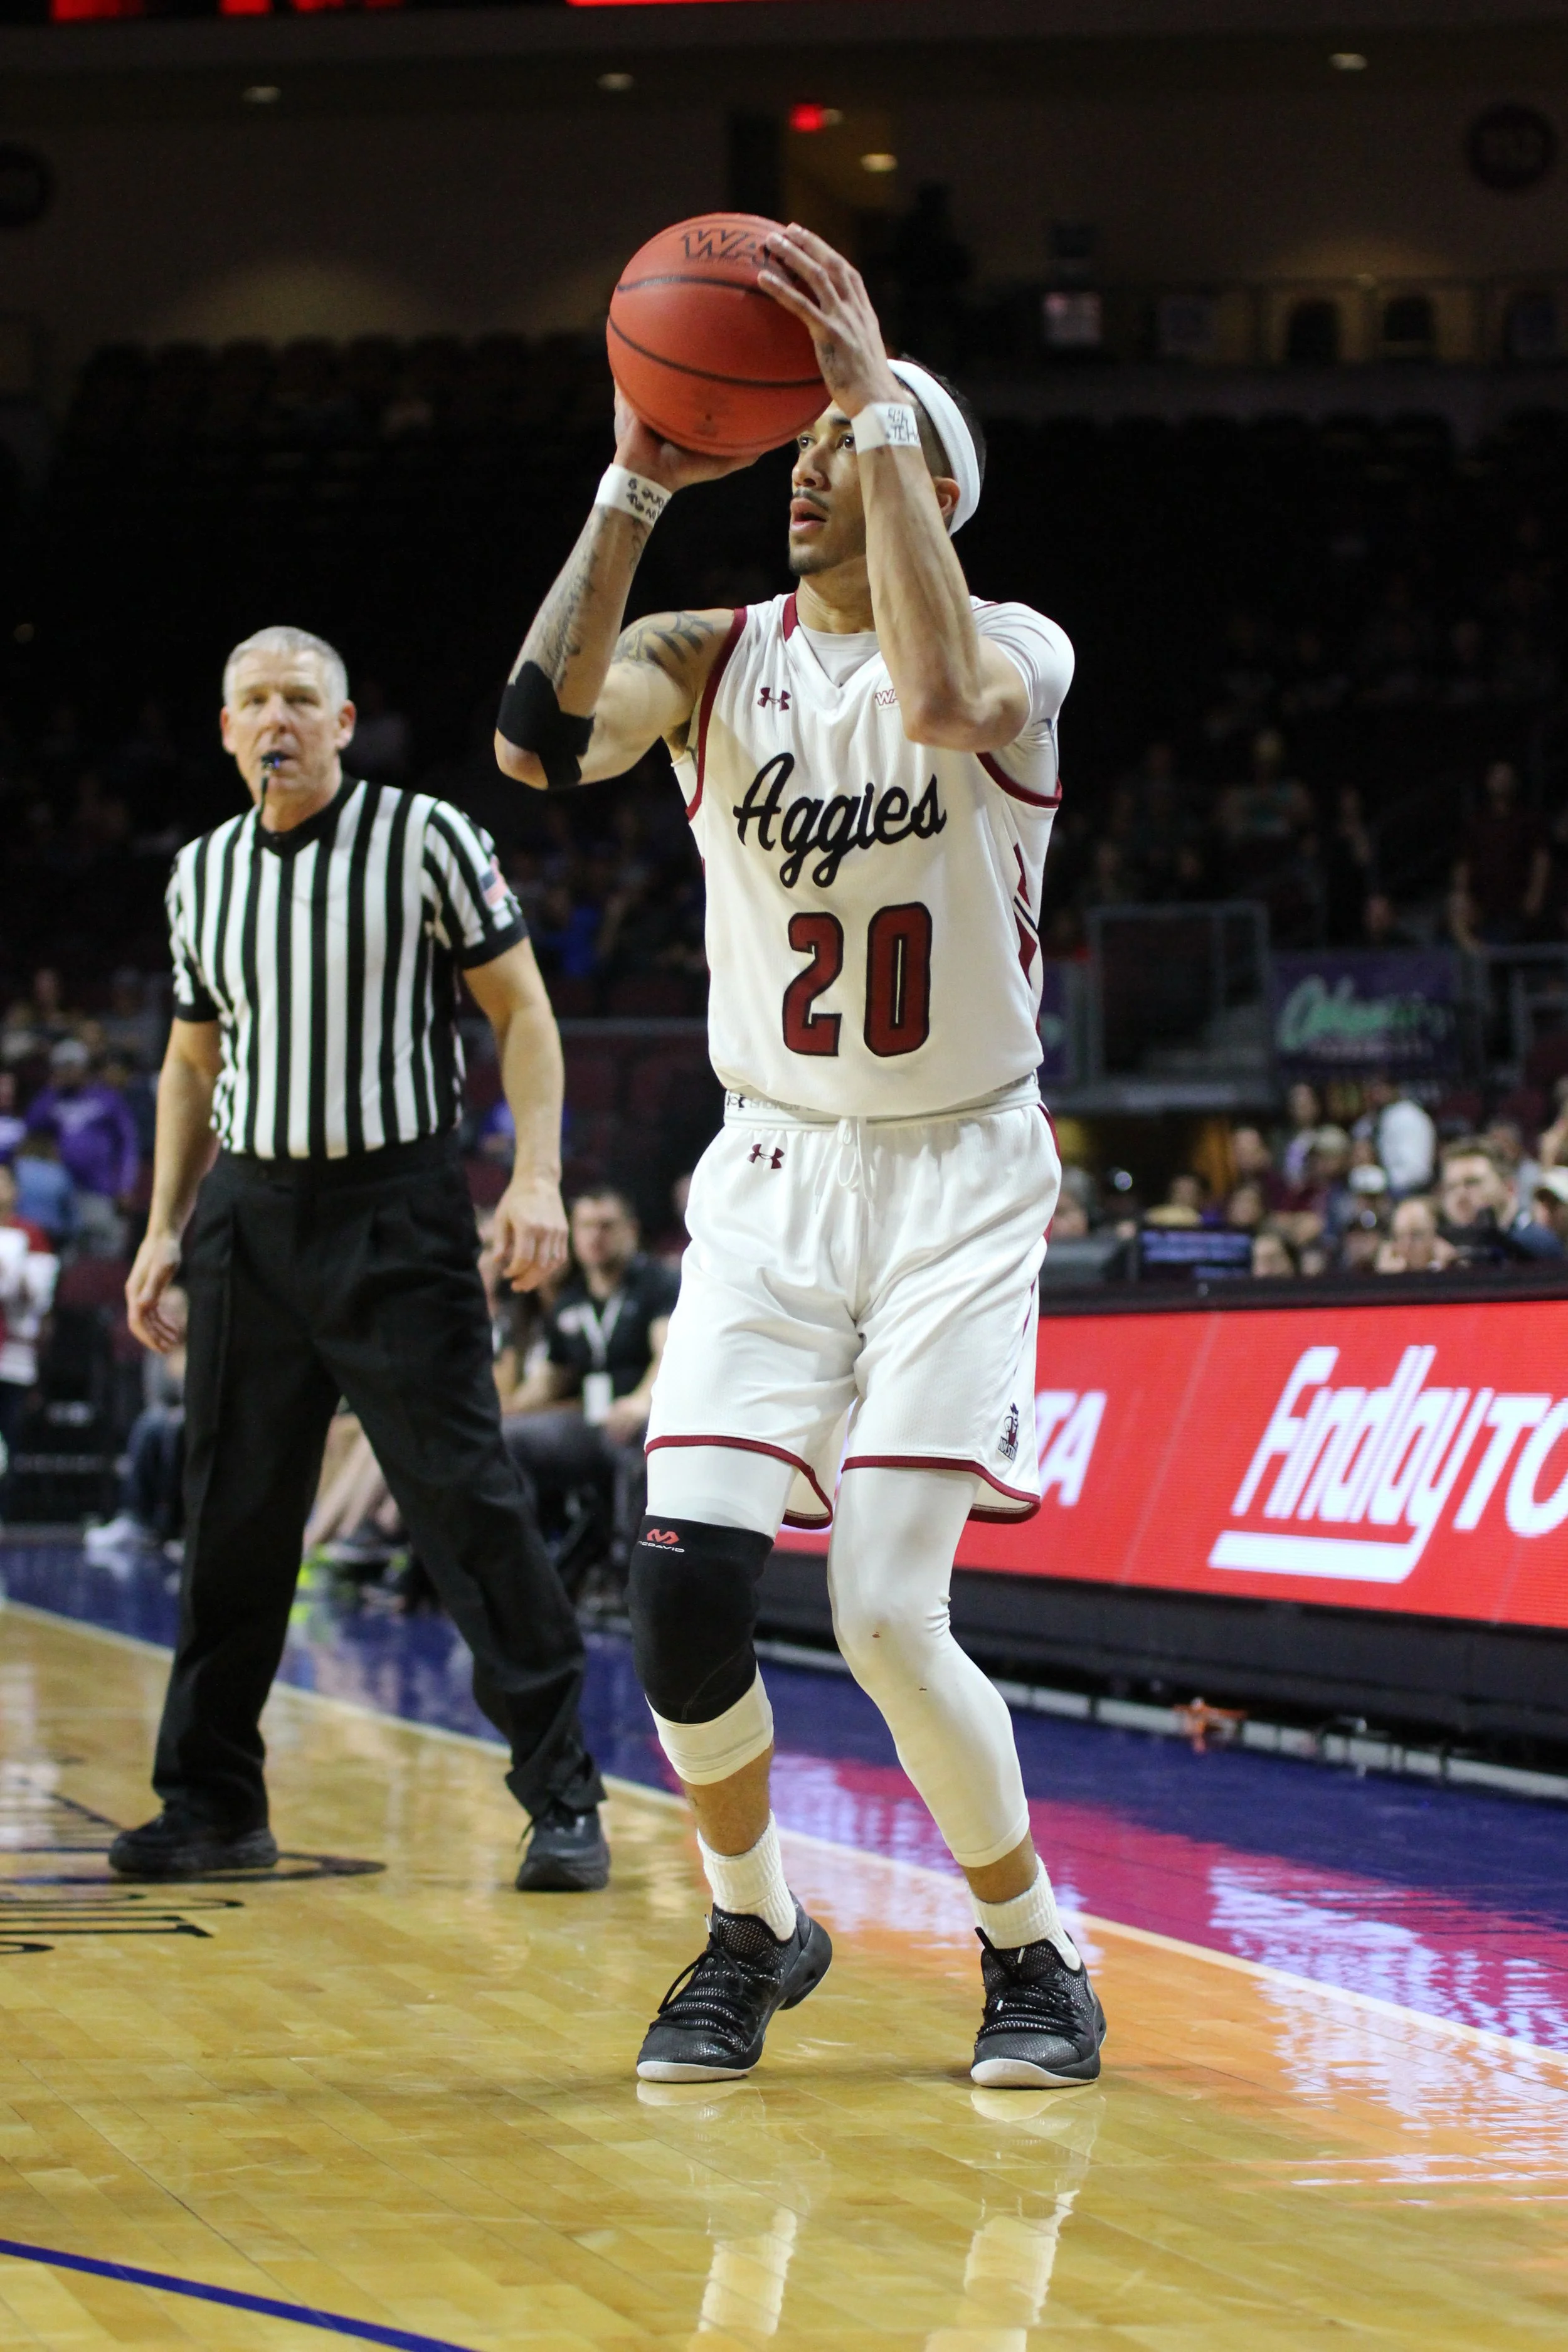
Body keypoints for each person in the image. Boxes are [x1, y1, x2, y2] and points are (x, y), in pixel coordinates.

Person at [494, 223, 1103, 2089]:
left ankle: (1034, 1951)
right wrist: (629, 482)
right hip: (771, 1172)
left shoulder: (1015, 648)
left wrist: (869, 395)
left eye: (845, 445)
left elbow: (944, 700)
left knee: (884, 1612)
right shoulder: (711, 652)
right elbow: (533, 740)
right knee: (680, 1585)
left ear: (924, 482)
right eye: (808, 444)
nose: (807, 467)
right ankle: (754, 1924)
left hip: (956, 1175)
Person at [112, 625, 608, 1891]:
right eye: (253, 701)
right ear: (227, 730)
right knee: (231, 1518)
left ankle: (563, 1793)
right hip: (249, 1217)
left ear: (342, 724)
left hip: (396, 1211)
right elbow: (189, 1065)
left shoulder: (425, 837)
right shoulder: (201, 872)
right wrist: (164, 1227)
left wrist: (536, 1176)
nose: (275, 719)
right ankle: (214, 1804)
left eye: (300, 698)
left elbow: (523, 1011)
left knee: (464, 1503)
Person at [502, 1187, 677, 1601]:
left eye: (606, 1226)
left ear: (631, 1231)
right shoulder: (571, 1299)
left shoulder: (656, 1283)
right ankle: (521, 1567)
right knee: (506, 1439)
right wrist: (503, 1411)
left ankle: (626, 1578)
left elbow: (669, 1353)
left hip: (644, 1419)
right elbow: (549, 1379)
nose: (595, 1237)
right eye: (585, 1227)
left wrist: (640, 1402)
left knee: (637, 1443)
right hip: (590, 1423)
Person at [25, 1036, 139, 1255]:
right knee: (66, 1253)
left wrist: (125, 1185)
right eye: (61, 1066)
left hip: (99, 1188)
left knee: (103, 1250)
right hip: (62, 1191)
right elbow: (31, 1126)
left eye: (72, 1065)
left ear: (84, 1067)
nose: (67, 1071)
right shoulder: (52, 1099)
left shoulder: (107, 1098)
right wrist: (50, 1091)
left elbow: (127, 1144)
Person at [0, 1160, 58, 1508]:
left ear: (16, 1191)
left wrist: (14, 1274)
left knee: (9, 1437)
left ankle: (3, 1510)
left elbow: (38, 1297)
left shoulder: (31, 1235)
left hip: (14, 1354)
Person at [1436, 1134, 1562, 1264]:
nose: (1460, 1195)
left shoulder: (1537, 1245)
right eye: (1451, 1187)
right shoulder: (1437, 1252)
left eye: (1473, 1183)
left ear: (1510, 1188)